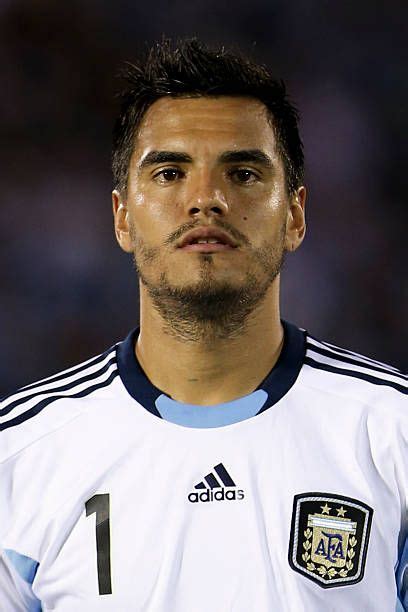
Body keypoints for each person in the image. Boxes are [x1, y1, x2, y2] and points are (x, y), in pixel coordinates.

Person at [0, 38, 406, 612]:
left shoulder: (392, 435)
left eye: (242, 173)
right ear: (122, 217)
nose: (205, 200)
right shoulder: (19, 456)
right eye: (169, 173)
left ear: (294, 216)